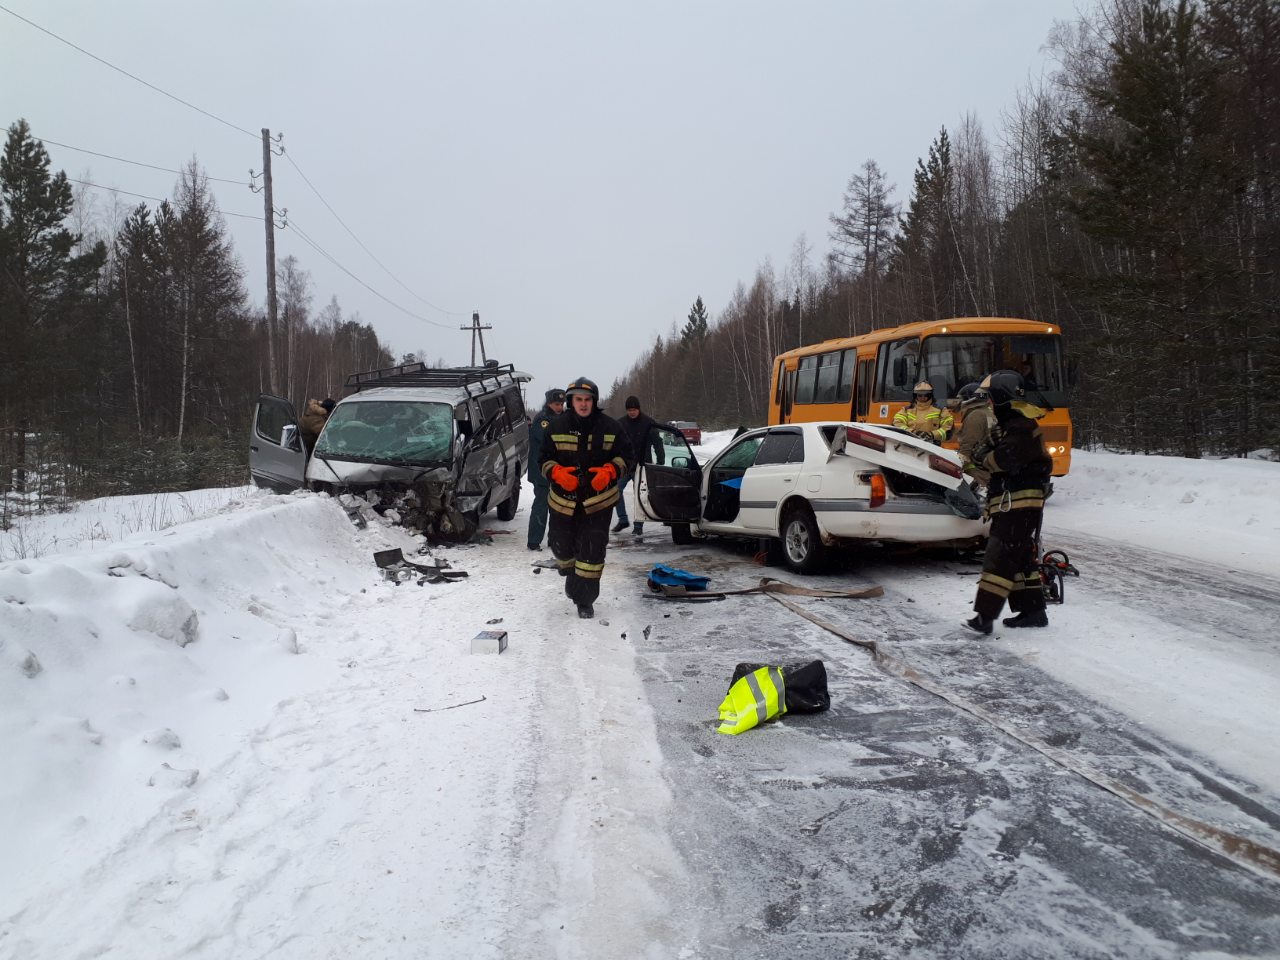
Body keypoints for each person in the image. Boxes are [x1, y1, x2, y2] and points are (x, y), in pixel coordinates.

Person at [964, 370, 1053, 634]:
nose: (990, 404)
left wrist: (985, 458)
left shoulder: (1021, 427)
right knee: (1020, 556)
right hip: (1015, 503)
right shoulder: (1012, 426)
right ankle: (1033, 611)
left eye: (992, 399)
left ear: (1003, 399)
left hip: (1018, 503)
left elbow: (1001, 460)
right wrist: (986, 453)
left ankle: (984, 617)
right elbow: (987, 453)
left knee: (1000, 557)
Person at [539, 377, 634, 619]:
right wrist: (557, 473)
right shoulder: (556, 427)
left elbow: (628, 457)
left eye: (587, 400)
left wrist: (611, 471)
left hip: (598, 503)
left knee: (591, 553)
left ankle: (585, 600)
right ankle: (569, 570)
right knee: (560, 545)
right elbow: (543, 459)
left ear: (594, 401)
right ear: (571, 401)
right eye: (578, 399)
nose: (583, 404)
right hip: (564, 501)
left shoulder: (610, 427)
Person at [614, 395, 665, 536]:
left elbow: (658, 443)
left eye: (634, 409)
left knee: (640, 496)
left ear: (639, 409)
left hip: (642, 466)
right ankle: (623, 519)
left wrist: (660, 461)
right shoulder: (620, 423)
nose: (632, 412)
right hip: (625, 466)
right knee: (615, 490)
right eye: (629, 410)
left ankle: (638, 526)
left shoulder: (648, 423)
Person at [526, 388, 565, 550]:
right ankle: (534, 541)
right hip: (541, 470)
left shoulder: (562, 418)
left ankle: (554, 540)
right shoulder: (542, 420)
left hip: (558, 470)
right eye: (557, 404)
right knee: (541, 505)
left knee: (558, 507)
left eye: (562, 404)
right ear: (549, 403)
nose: (560, 407)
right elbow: (549, 441)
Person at [955, 382, 996, 488]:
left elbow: (969, 444)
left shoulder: (975, 415)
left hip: (977, 473)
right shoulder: (987, 413)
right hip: (988, 469)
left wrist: (957, 465)